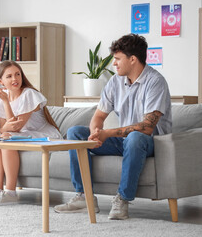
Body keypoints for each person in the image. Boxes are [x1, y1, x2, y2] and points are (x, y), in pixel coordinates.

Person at [54, 34, 172, 219]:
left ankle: (123, 199)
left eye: (117, 59)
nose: (114, 64)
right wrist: (95, 133)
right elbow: (99, 116)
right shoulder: (115, 82)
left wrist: (107, 133)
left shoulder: (155, 82)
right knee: (75, 132)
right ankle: (84, 197)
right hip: (123, 140)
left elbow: (147, 127)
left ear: (132, 59)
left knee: (135, 137)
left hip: (151, 142)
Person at [0, 60, 62, 206]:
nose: (15, 79)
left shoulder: (28, 94)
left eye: (17, 74)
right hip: (23, 135)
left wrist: (5, 102)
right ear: (0, 81)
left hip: (44, 135)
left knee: (7, 138)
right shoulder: (1, 97)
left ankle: (10, 192)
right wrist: (4, 101)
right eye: (9, 76)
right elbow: (3, 128)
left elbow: (14, 128)